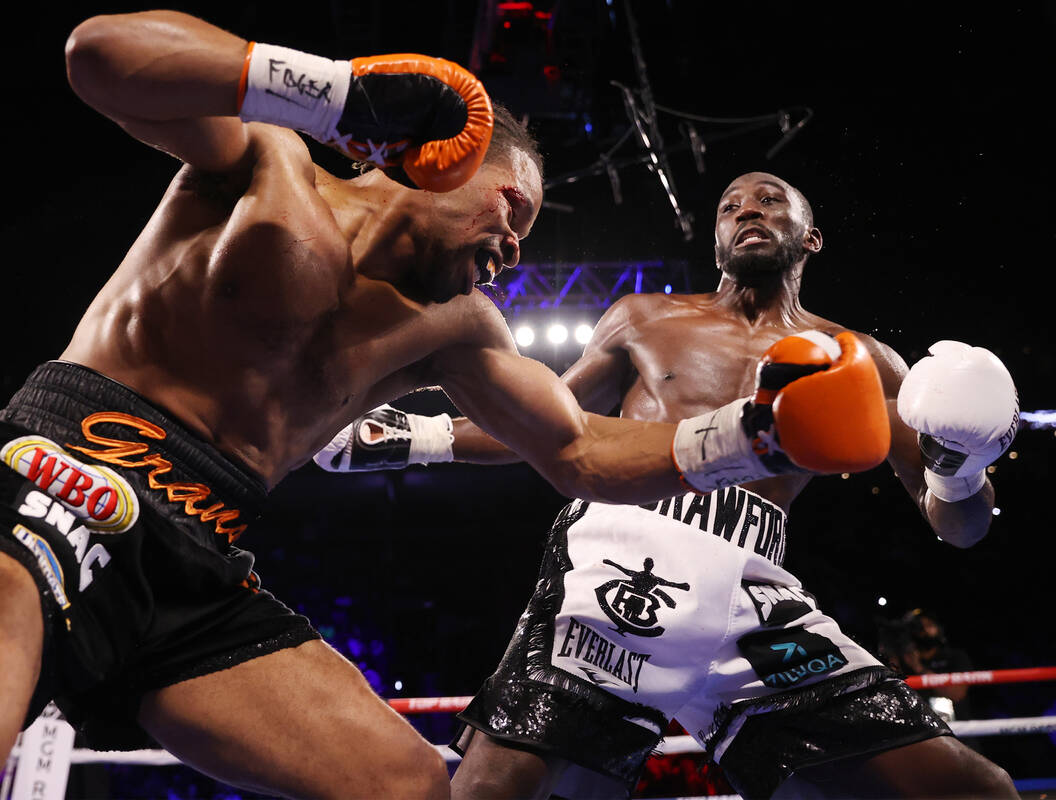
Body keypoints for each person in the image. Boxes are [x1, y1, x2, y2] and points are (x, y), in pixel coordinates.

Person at [0, 10, 890, 799]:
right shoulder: (266, 164)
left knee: (407, 786)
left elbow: (580, 450)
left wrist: (749, 431)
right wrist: (333, 93)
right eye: (511, 206)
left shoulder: (457, 328)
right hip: (52, 481)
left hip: (196, 565)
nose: (515, 244)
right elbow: (98, 55)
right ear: (437, 160)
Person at [317, 172, 1021, 799]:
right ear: (715, 237)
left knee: (973, 788)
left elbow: (957, 527)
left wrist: (961, 468)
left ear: (811, 238)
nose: (748, 209)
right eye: (731, 204)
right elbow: (541, 425)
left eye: (771, 200)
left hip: (759, 600)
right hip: (625, 559)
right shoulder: (645, 318)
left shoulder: (861, 359)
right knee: (503, 791)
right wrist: (398, 437)